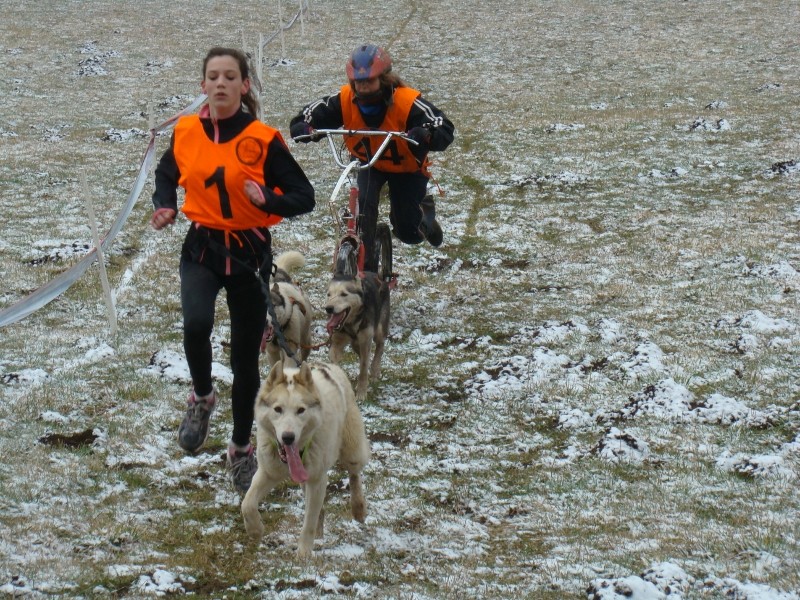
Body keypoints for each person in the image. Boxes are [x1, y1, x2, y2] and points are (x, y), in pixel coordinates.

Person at [150, 47, 315, 493]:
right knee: (196, 324)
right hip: (202, 248)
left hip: (248, 255)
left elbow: (304, 195)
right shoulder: (186, 131)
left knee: (245, 357)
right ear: (202, 85)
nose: (220, 84)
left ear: (245, 86)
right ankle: (202, 397)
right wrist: (165, 204)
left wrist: (269, 200)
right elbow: (167, 175)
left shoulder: (263, 138)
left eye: (229, 77)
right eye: (212, 77)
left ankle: (241, 447)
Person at [289, 44, 454, 271]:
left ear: (384, 79)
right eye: (359, 82)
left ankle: (425, 219)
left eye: (369, 81)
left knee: (407, 231)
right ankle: (364, 270)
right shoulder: (345, 99)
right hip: (368, 163)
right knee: (363, 207)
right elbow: (311, 114)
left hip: (406, 169)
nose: (364, 88)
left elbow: (442, 126)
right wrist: (303, 126)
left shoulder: (406, 103)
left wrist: (426, 134)